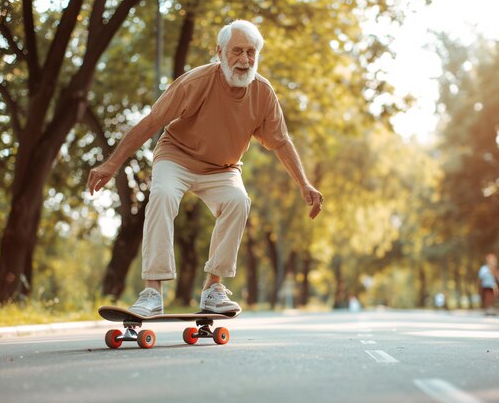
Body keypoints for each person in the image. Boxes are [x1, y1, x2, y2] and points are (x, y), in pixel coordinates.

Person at [87, 20, 323, 316]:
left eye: (251, 53)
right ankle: (152, 292)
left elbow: (281, 141)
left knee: (238, 201)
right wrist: (111, 164)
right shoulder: (194, 82)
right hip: (177, 157)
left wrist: (304, 184)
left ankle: (213, 288)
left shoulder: (262, 93)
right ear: (220, 52)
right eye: (237, 51)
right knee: (161, 195)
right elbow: (151, 122)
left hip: (222, 169)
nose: (244, 60)